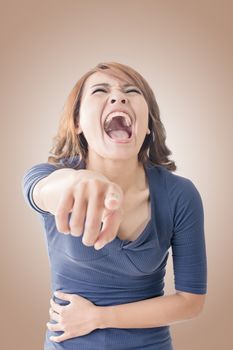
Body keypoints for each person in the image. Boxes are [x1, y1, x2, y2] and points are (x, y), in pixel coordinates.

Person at [22, 62, 207, 350]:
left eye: (131, 91)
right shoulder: (50, 179)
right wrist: (77, 182)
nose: (118, 97)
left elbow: (190, 302)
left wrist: (99, 317)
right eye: (100, 90)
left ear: (148, 126)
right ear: (78, 123)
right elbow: (40, 191)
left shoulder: (180, 195)